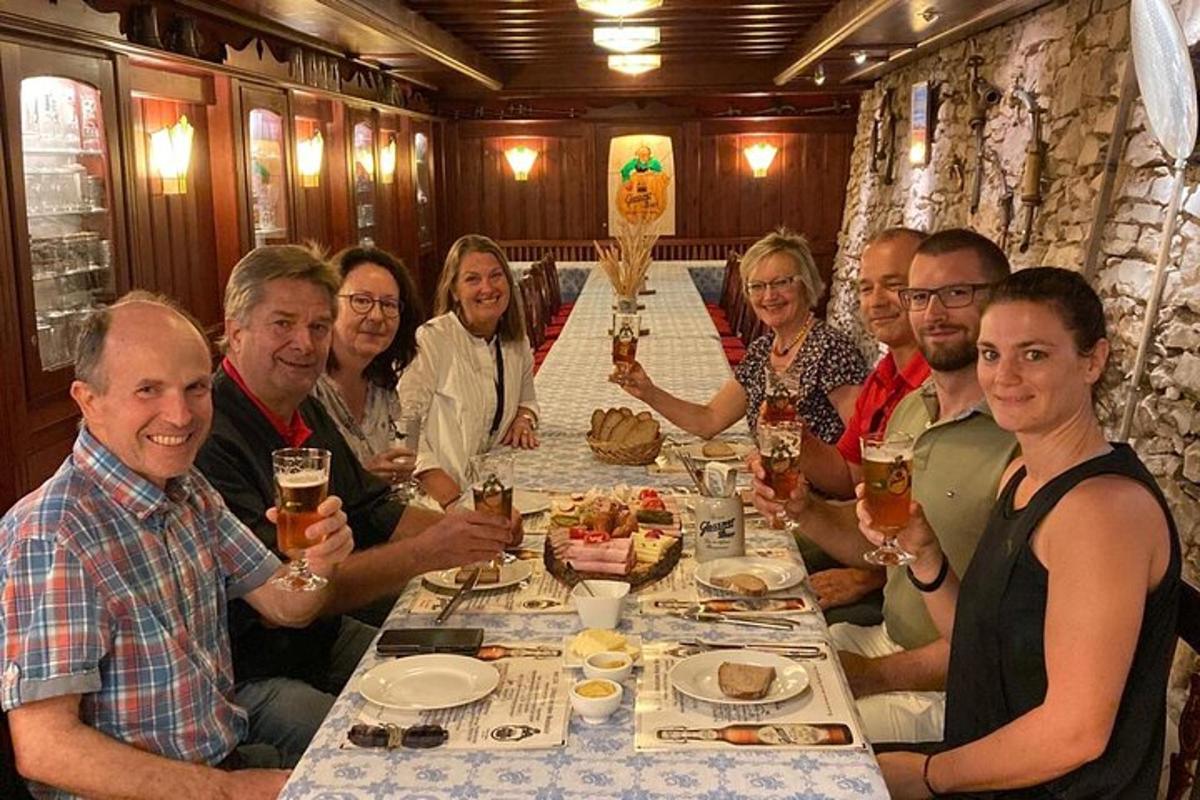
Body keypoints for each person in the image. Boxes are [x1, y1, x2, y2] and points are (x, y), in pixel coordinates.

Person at [0, 294, 354, 799]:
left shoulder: (187, 490)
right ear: (87, 399)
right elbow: (45, 747)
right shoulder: (54, 535)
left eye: (196, 389)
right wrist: (232, 791)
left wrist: (319, 562)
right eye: (148, 390)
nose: (180, 415)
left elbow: (287, 604)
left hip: (223, 755)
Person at [864, 267, 1179, 799]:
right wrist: (925, 557)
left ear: (1093, 361)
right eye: (991, 354)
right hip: (985, 758)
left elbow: (1075, 734)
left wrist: (925, 777)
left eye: (1033, 354)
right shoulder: (1022, 476)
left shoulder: (1102, 513)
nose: (1003, 375)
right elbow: (979, 640)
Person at [195, 245, 518, 759]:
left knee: (487, 663)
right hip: (253, 670)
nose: (304, 344)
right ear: (236, 331)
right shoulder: (211, 437)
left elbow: (374, 510)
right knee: (379, 751)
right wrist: (430, 550)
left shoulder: (301, 408)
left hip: (320, 637)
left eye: (319, 328)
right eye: (283, 324)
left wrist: (467, 528)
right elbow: (295, 597)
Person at [752, 228, 1016, 744]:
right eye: (919, 296)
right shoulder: (915, 407)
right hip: (889, 638)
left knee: (775, 737)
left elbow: (1002, 647)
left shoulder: (1019, 440)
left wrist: (875, 676)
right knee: (749, 650)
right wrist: (805, 508)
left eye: (958, 293)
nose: (933, 312)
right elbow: (879, 540)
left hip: (953, 690)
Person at [613, 228, 867, 443]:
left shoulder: (832, 350)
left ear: (806, 283)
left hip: (816, 498)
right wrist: (649, 392)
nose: (769, 296)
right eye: (757, 286)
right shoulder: (763, 350)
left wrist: (819, 501)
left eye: (781, 283)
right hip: (772, 489)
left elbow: (861, 447)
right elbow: (710, 420)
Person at [794, 227, 931, 625]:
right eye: (866, 288)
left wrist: (869, 576)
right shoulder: (884, 374)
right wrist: (795, 436)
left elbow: (941, 521)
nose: (876, 302)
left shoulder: (939, 392)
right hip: (867, 537)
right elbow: (847, 475)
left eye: (894, 286)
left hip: (904, 587)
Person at [398, 234, 540, 507]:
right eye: (472, 279)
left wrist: (524, 417)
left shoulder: (515, 342)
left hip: (484, 488)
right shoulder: (432, 340)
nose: (487, 288)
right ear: (454, 291)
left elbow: (527, 396)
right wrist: (452, 500)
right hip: (433, 500)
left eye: (496, 276)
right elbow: (405, 430)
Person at [312, 246, 423, 483]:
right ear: (329, 305)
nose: (376, 316)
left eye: (389, 305)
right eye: (361, 301)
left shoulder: (383, 386)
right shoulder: (307, 388)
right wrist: (362, 480)